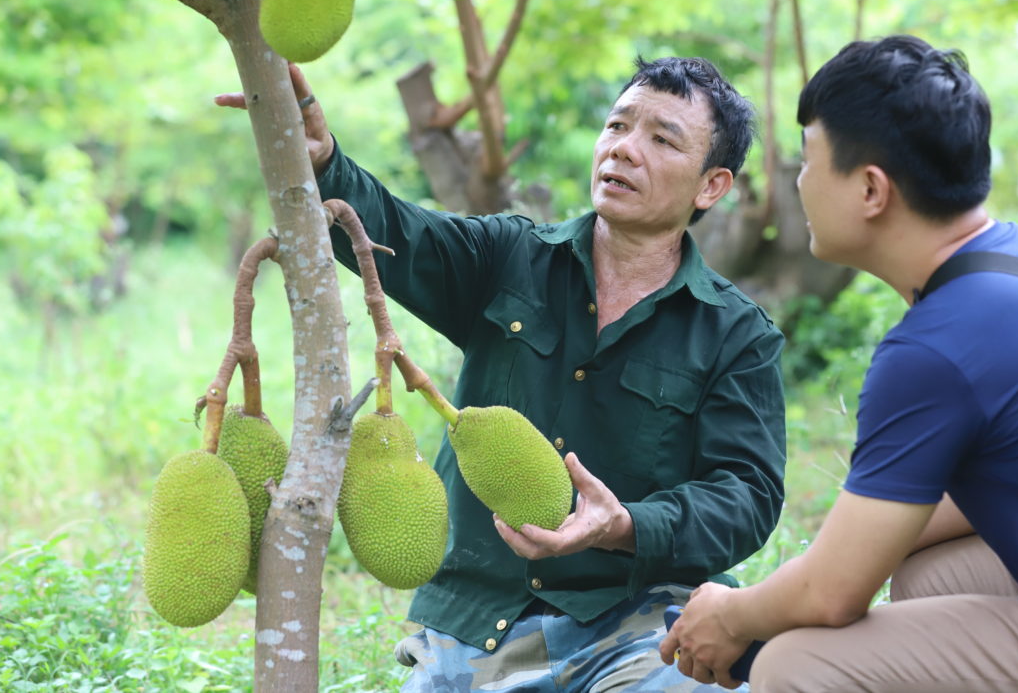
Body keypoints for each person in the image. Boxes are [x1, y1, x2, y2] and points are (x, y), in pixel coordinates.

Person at [217, 56, 787, 693]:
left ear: (711, 186)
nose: (624, 150)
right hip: (478, 626)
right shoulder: (509, 256)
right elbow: (398, 235)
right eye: (618, 125)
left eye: (661, 139)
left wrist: (625, 526)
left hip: (639, 623)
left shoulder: (737, 334)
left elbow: (748, 496)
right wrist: (324, 161)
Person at [660, 34, 1018, 693]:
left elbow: (833, 596)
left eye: (809, 160)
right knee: (928, 573)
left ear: (871, 190)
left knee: (796, 666)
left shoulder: (935, 348)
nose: (798, 180)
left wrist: (733, 613)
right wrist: (813, 577)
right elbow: (998, 489)